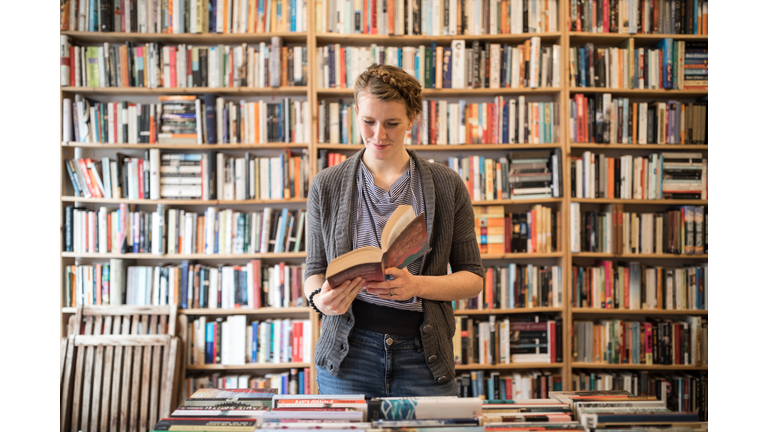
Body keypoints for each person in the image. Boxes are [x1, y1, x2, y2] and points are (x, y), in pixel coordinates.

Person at [303, 64, 485, 398]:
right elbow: (314, 271)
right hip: (348, 356)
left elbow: (473, 278)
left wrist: (416, 285)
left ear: (413, 119)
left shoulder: (447, 185)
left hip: (423, 355)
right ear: (356, 112)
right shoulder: (326, 185)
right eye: (368, 122)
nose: (378, 136)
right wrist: (320, 300)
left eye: (392, 124)